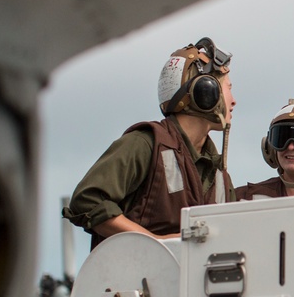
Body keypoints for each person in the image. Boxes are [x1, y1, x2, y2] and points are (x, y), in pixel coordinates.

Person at [64, 38, 235, 247]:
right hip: (135, 277)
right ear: (205, 92)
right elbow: (87, 201)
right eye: (228, 88)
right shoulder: (145, 145)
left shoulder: (219, 175)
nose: (233, 100)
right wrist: (154, 242)